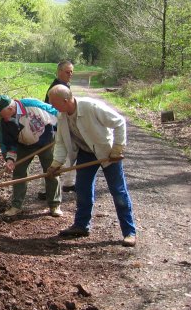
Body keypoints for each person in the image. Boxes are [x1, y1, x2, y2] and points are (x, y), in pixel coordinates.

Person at [46, 84, 137, 247]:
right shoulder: (62, 115)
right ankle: (81, 226)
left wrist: (117, 148)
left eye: (53, 102)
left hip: (107, 153)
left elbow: (119, 122)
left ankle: (129, 232)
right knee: (82, 189)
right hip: (85, 153)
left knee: (118, 191)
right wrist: (56, 164)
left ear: (66, 100)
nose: (51, 105)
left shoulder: (91, 107)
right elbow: (60, 142)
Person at [0, 94, 62, 217]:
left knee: (52, 171)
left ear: (10, 109)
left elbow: (57, 113)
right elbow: (7, 143)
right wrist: (9, 159)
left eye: (0, 113)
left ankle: (54, 205)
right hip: (24, 145)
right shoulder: (4, 123)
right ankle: (16, 206)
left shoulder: (32, 105)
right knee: (19, 172)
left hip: (46, 141)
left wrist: (63, 130)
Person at [39, 60, 75, 199]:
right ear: (59, 72)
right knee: (54, 159)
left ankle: (69, 182)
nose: (70, 74)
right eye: (67, 72)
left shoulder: (64, 85)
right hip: (55, 127)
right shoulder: (56, 89)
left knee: (72, 153)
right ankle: (45, 190)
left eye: (72, 71)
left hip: (60, 126)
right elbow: (52, 111)